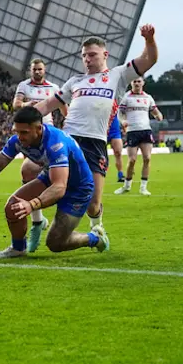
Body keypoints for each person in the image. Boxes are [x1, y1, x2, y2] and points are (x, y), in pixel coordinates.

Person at [35, 24, 158, 228]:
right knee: (31, 170)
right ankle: (37, 222)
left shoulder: (118, 75)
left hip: (94, 142)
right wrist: (25, 117)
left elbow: (149, 59)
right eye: (84, 55)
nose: (87, 59)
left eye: (92, 54)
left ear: (105, 54)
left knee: (93, 203)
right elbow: (49, 104)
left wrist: (149, 40)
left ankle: (96, 226)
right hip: (68, 140)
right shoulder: (75, 81)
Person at [0, 107, 108, 258]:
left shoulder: (56, 144)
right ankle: (18, 249)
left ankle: (95, 238)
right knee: (13, 206)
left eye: (24, 132)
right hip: (51, 177)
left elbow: (59, 187)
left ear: (38, 128)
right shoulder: (18, 141)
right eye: (17, 131)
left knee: (55, 243)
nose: (19, 137)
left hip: (77, 189)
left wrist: (32, 204)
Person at [12, 59, 66, 231]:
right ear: (30, 70)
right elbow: (16, 105)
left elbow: (64, 108)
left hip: (48, 134)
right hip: (30, 135)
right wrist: (29, 104)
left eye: (40, 69)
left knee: (34, 171)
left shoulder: (54, 88)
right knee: (29, 171)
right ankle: (38, 219)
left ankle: (42, 217)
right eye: (34, 69)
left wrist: (68, 123)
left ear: (45, 70)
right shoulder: (24, 86)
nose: (37, 71)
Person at [115, 77, 163, 196]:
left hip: (145, 130)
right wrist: (123, 121)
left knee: (147, 158)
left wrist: (158, 115)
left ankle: (143, 187)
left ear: (143, 83)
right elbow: (119, 113)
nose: (136, 83)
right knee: (132, 160)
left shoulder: (148, 97)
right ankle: (126, 186)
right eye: (134, 81)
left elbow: (155, 111)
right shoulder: (126, 97)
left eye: (139, 81)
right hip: (132, 131)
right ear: (131, 83)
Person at [107, 114, 125, 182]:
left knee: (118, 152)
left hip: (114, 130)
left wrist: (123, 124)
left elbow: (121, 113)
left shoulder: (114, 104)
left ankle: (120, 175)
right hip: (101, 130)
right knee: (100, 154)